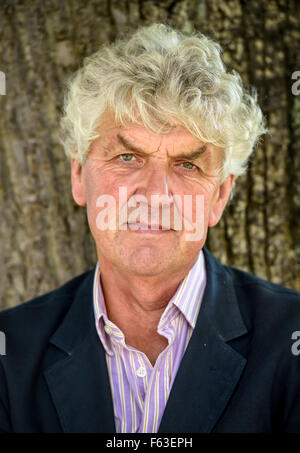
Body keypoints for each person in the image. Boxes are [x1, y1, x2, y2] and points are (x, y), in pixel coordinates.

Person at [0, 24, 299, 434]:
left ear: (220, 196)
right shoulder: (8, 353)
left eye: (187, 164)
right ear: (77, 175)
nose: (156, 194)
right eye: (127, 157)